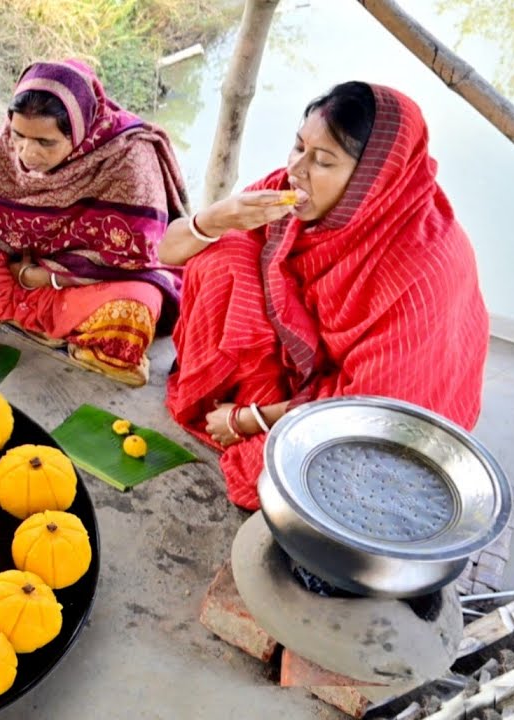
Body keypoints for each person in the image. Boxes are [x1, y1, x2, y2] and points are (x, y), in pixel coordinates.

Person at [160, 82, 490, 510]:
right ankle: (235, 401)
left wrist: (250, 420)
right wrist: (219, 216)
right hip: (306, 368)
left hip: (385, 408)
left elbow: (374, 412)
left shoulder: (422, 270)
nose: (296, 170)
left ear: (375, 179)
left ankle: (258, 416)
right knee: (222, 257)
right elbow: (168, 251)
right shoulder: (288, 193)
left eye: (322, 161)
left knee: (313, 482)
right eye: (297, 147)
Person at [0, 60, 188, 386]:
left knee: (131, 313)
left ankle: (40, 317)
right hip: (22, 255)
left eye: (45, 143)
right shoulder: (8, 143)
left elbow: (135, 253)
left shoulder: (127, 156)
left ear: (78, 130)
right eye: (19, 135)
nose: (26, 153)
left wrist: (44, 277)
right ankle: (62, 330)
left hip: (92, 276)